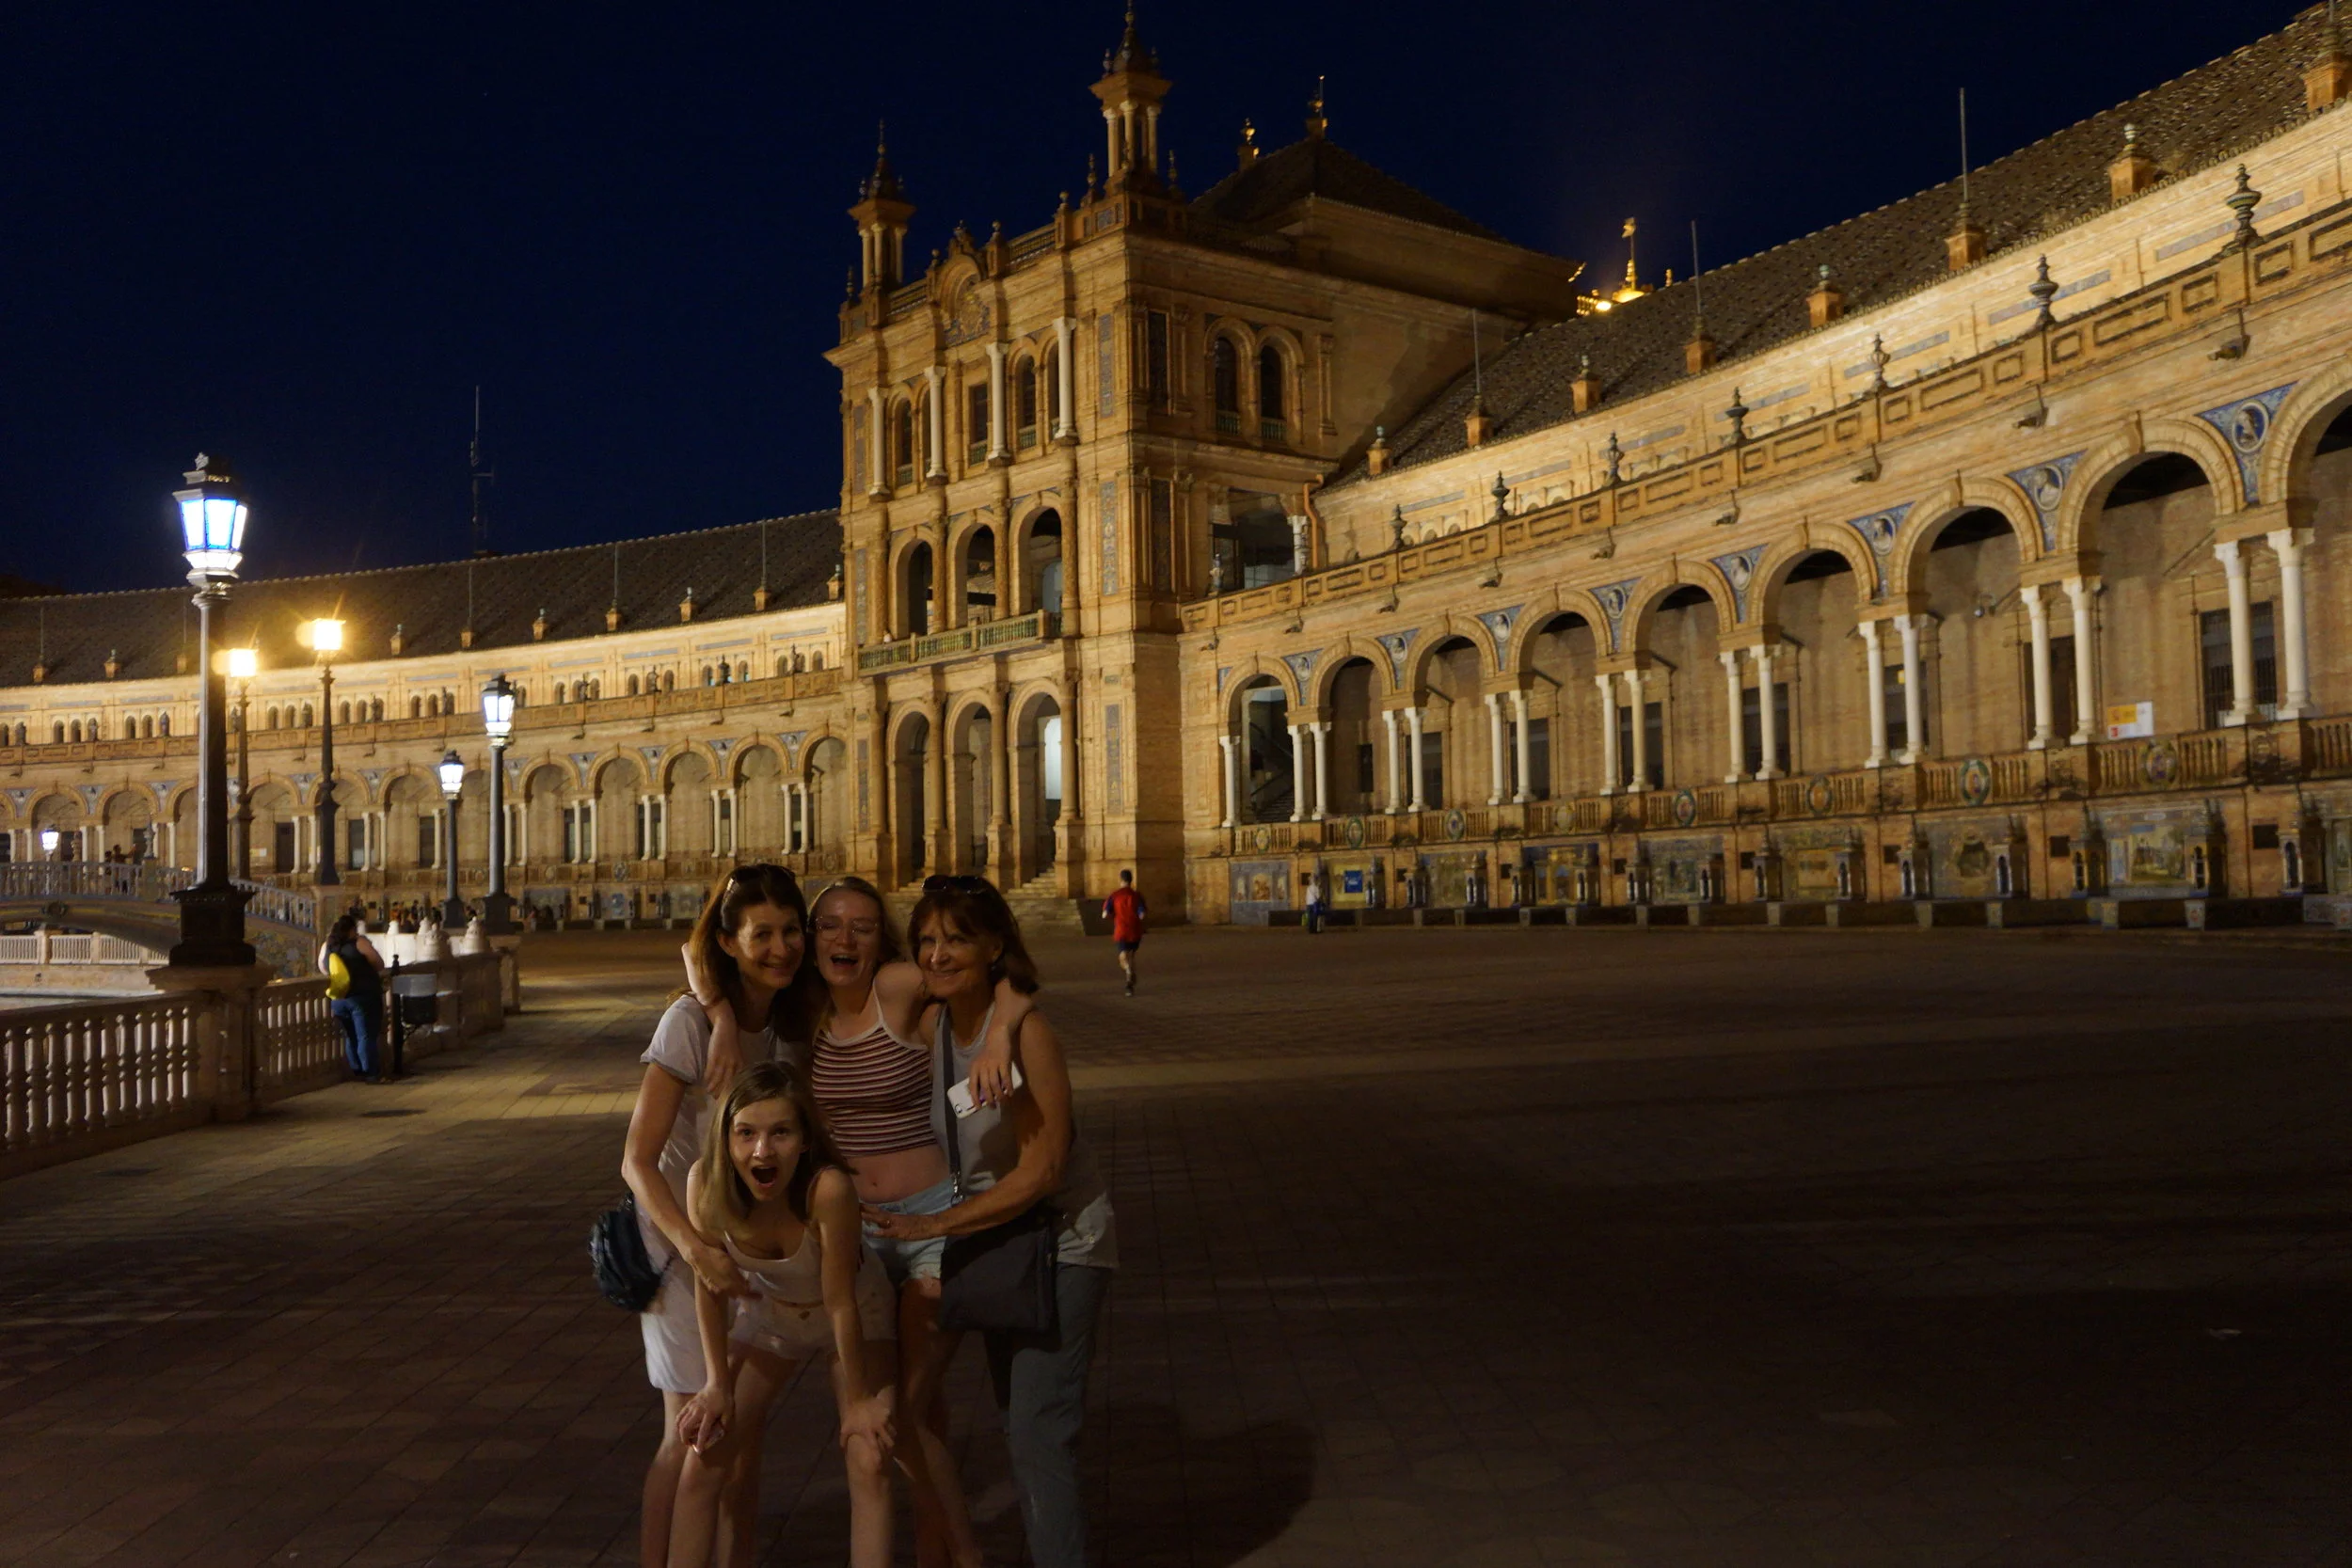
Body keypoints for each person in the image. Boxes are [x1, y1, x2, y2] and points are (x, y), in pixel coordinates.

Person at [772, 876, 1022, 1568]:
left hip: (931, 1223)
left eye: (860, 925)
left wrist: (1000, 1035)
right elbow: (714, 966)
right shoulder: (805, 1014)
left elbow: (1005, 977)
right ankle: (937, 1553)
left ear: (881, 938)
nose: (843, 938)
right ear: (811, 933)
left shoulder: (900, 989)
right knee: (909, 1417)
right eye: (829, 925)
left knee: (899, 1409)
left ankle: (963, 1554)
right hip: (854, 1237)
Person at [869, 877, 1118, 1568]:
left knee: (1040, 1433)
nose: (937, 954)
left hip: (1062, 1239)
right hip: (1002, 1240)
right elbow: (864, 973)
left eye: (956, 939)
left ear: (993, 945)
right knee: (1021, 1423)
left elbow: (1042, 1172)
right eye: (926, 939)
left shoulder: (1033, 1039)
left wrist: (933, 1226)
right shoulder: (936, 1022)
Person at [622, 864, 813, 1568]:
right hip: (682, 1253)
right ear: (730, 943)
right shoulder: (687, 1023)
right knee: (690, 1430)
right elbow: (636, 1160)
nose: (782, 947)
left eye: (791, 930)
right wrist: (693, 1249)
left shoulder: (791, 1022)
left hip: (749, 1249)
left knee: (741, 1437)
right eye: (762, 934)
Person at [669, 1062, 897, 1568]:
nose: (762, 1151)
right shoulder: (705, 1182)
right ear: (725, 1138)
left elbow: (840, 1301)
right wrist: (715, 1384)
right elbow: (710, 1287)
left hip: (854, 1310)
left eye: (781, 1133)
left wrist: (858, 1400)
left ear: (806, 1140)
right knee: (704, 1451)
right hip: (772, 1314)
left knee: (868, 1454)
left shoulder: (828, 1188)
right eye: (745, 1133)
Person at [316, 911, 386, 1082]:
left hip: (339, 998)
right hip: (362, 996)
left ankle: (357, 1070)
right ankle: (371, 1073)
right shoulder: (358, 942)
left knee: (350, 1035)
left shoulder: (327, 945)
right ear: (352, 930)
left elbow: (323, 968)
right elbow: (379, 963)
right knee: (365, 1036)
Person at [1102, 869, 1146, 996]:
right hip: (1135, 929)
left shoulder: (1114, 895)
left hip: (1121, 929)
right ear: (1131, 880)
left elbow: (1105, 913)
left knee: (1123, 956)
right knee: (1131, 955)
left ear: (1120, 879)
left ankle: (1128, 972)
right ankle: (1129, 985)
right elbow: (1142, 913)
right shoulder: (1137, 896)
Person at [1303, 870, 1327, 935]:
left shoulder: (1308, 888)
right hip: (1314, 904)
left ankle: (1310, 929)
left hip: (1308, 904)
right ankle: (1314, 930)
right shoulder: (1316, 888)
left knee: (1310, 917)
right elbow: (1318, 896)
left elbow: (1306, 897)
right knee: (1315, 917)